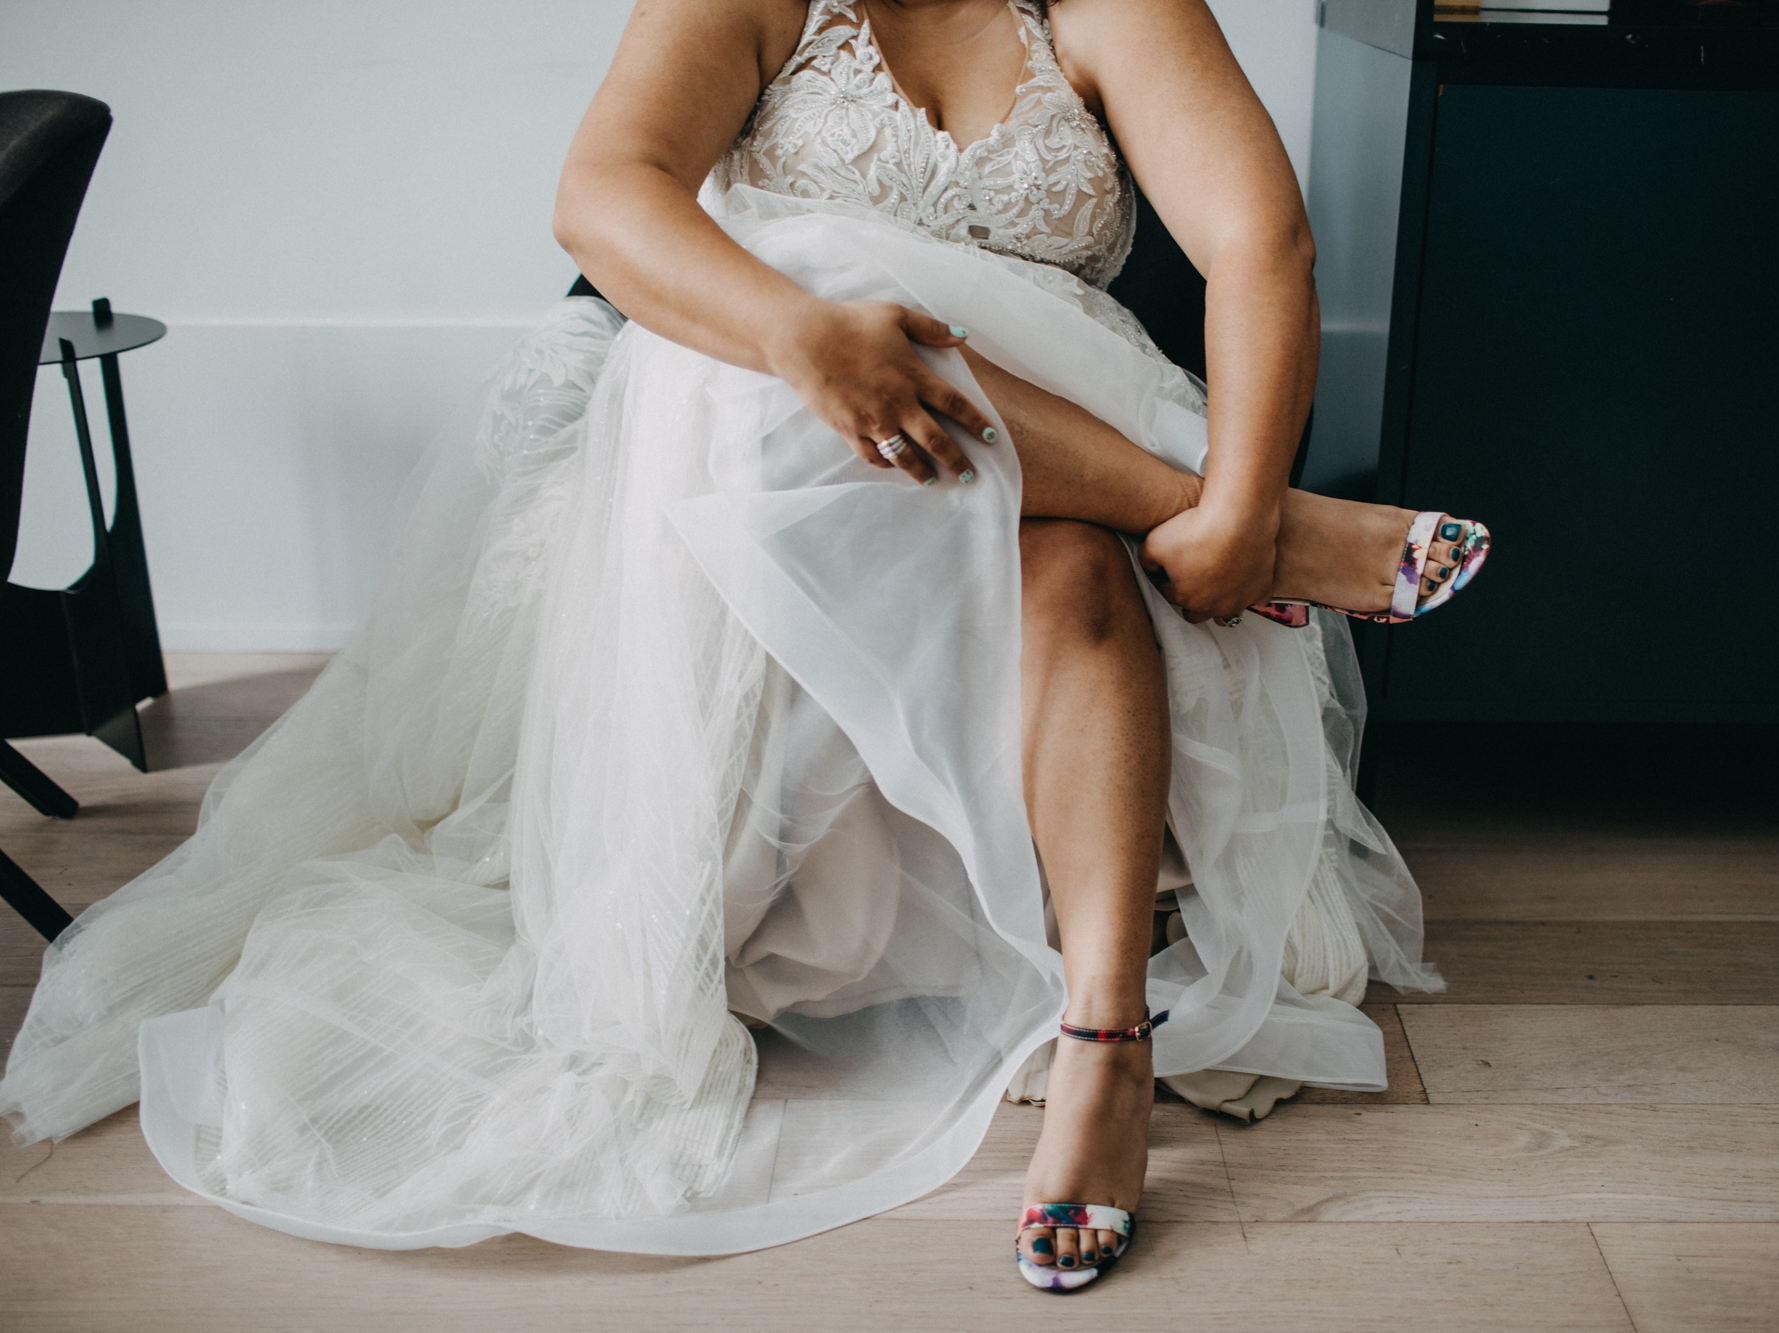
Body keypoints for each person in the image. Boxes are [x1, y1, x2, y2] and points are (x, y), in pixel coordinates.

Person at [0, 0, 1483, 1292]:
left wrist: (1242, 485)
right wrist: (807, 339)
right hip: (784, 462)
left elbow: (1260, 239)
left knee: (1082, 582)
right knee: (798, 307)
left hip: (1047, 488)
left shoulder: (1098, 6)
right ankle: (1256, 529)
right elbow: (605, 195)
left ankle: (1106, 1039)